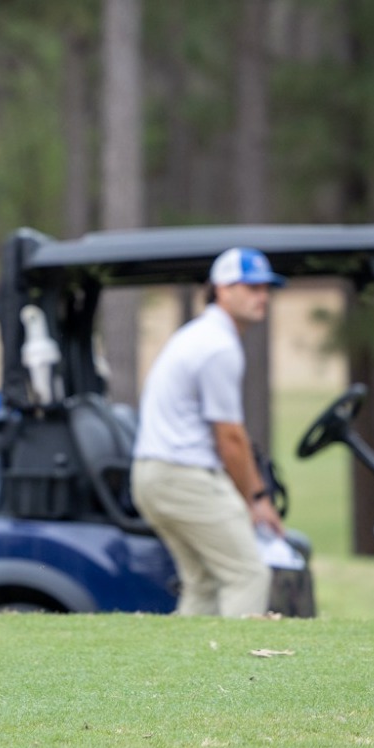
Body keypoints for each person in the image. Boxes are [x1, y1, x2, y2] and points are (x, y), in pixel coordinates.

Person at [131, 246, 287, 617]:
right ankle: (240, 673)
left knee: (202, 583)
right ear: (221, 289)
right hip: (182, 474)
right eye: (250, 288)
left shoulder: (200, 335)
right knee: (248, 574)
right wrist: (256, 498)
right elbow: (230, 438)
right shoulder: (218, 346)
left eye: (265, 288)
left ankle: (184, 674)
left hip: (154, 475)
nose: (261, 297)